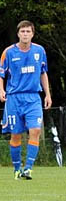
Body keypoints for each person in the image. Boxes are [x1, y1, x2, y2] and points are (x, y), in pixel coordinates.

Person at [0, 20, 52, 180]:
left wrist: (48, 94)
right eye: (22, 31)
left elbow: (43, 73)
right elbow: (1, 74)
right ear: (18, 34)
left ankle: (28, 168)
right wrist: (1, 90)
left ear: (32, 34)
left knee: (35, 130)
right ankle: (17, 169)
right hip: (14, 98)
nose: (25, 34)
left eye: (28, 31)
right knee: (16, 135)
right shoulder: (8, 52)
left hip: (33, 97)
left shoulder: (39, 51)